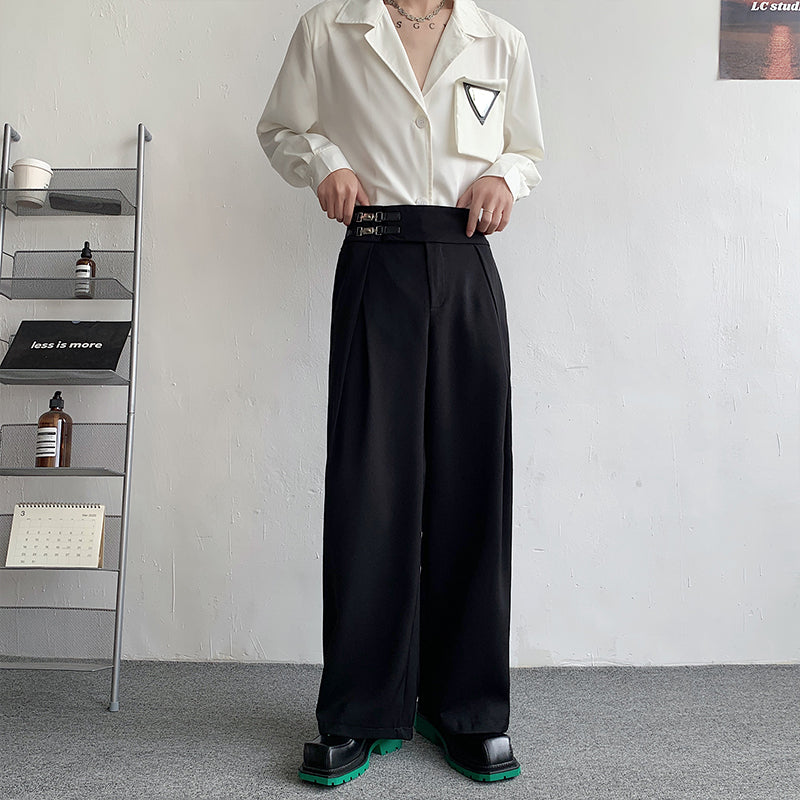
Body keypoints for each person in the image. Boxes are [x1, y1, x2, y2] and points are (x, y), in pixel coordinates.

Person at [256, 0, 544, 786]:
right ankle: (359, 709)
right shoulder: (329, 28)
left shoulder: (500, 41)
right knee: (369, 485)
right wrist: (325, 163)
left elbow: (526, 148)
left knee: (472, 483)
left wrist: (503, 176)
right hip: (376, 253)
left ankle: (467, 709)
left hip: (465, 259)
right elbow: (281, 128)